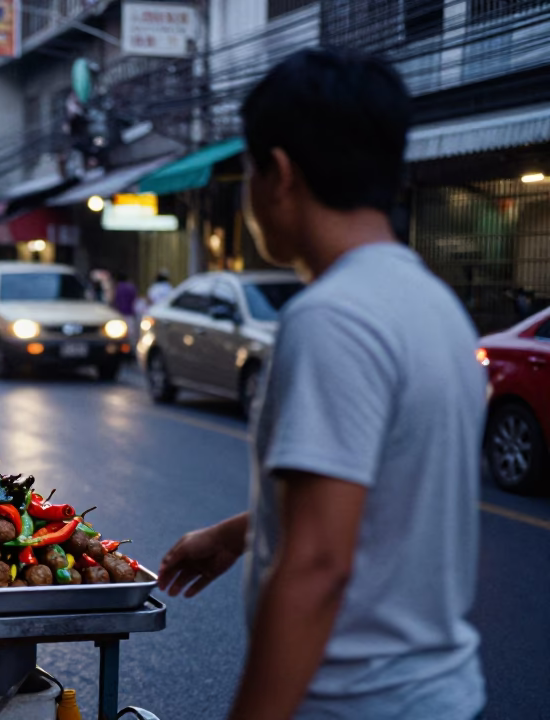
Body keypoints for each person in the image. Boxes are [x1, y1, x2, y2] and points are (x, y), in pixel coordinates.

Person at [157, 49, 485, 720]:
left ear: (279, 174)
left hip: (356, 703)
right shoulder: (434, 304)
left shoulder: (329, 317)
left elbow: (317, 566)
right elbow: (377, 486)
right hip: (440, 693)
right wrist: (234, 536)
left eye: (247, 169)